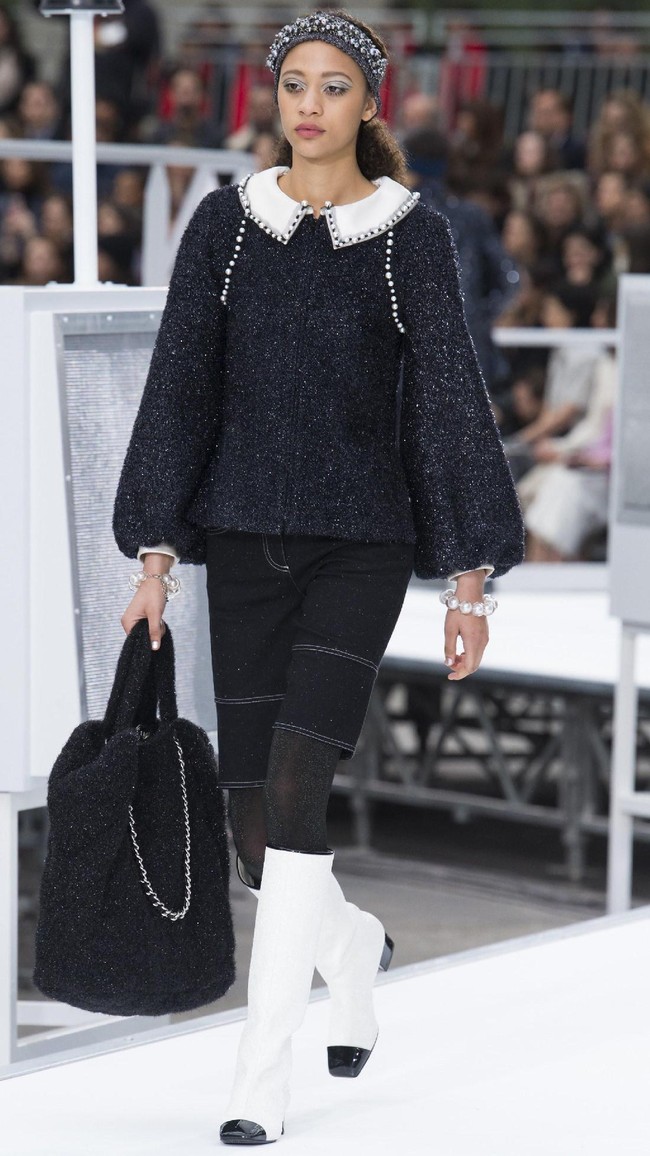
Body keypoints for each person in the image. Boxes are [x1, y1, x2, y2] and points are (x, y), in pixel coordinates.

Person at [113, 8, 525, 1146]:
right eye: (292, 83)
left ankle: (258, 1073)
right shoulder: (224, 227)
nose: (307, 104)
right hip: (242, 546)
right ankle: (351, 951)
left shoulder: (410, 235)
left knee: (295, 795)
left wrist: (468, 579)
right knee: (253, 827)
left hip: (362, 546)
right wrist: (154, 551)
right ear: (272, 96)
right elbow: (180, 390)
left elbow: (448, 402)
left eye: (331, 86)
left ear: (367, 103)